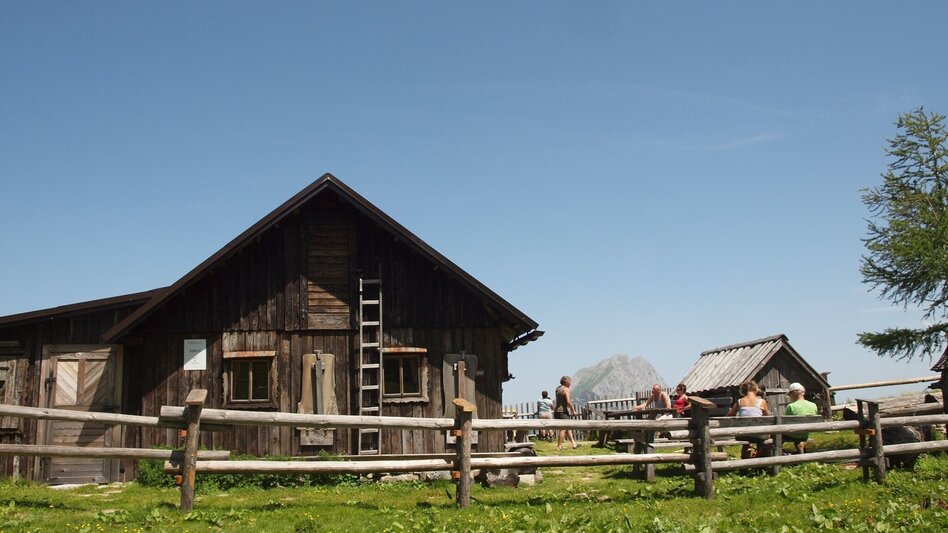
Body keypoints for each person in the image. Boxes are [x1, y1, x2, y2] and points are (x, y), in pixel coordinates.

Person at [727, 380, 770, 459]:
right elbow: (767, 417)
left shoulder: (740, 401)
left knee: (746, 443)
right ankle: (761, 465)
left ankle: (744, 465)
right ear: (755, 390)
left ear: (743, 391)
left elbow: (730, 415)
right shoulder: (761, 402)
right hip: (758, 435)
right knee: (762, 440)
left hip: (743, 434)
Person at [784, 382, 818, 454]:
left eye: (790, 394)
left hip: (793, 433)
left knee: (775, 435)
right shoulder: (813, 405)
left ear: (795, 392)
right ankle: (801, 456)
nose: (789, 396)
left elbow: (785, 423)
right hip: (806, 433)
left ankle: (775, 455)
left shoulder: (791, 406)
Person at [554, 376, 580, 450]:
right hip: (563, 411)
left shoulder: (558, 389)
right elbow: (568, 401)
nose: (570, 383)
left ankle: (574, 443)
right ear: (566, 382)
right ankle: (559, 446)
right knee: (563, 428)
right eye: (569, 381)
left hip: (557, 411)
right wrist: (573, 410)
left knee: (567, 427)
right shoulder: (566, 389)